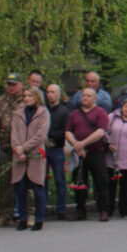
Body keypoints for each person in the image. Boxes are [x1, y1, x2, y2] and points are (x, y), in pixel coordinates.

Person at [65, 87, 111, 222]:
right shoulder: (74, 113)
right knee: (79, 182)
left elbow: (101, 132)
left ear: (94, 98)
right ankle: (80, 210)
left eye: (88, 96)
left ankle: (103, 210)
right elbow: (68, 131)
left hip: (95, 152)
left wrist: (83, 143)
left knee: (101, 181)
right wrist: (75, 144)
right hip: (79, 153)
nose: (84, 98)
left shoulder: (100, 112)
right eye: (83, 96)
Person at [10, 86, 49, 230]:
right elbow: (14, 133)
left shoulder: (43, 113)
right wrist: (18, 149)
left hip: (35, 154)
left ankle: (39, 219)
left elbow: (40, 135)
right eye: (25, 96)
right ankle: (22, 218)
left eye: (30, 96)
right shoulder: (18, 113)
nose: (27, 98)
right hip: (19, 155)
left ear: (37, 97)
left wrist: (24, 148)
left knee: (38, 188)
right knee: (20, 188)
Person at [0, 72, 23, 227]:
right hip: (5, 146)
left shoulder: (26, 99)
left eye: (14, 84)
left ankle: (27, 213)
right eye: (9, 84)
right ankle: (5, 214)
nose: (11, 87)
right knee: (5, 182)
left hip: (22, 147)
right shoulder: (2, 100)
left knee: (25, 182)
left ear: (21, 84)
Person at [43, 84, 70, 220]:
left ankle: (61, 208)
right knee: (42, 179)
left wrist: (52, 137)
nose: (50, 95)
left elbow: (66, 130)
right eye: (48, 92)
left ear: (58, 94)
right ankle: (42, 207)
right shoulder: (42, 110)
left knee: (60, 179)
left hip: (57, 148)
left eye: (53, 92)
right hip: (43, 148)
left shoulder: (64, 111)